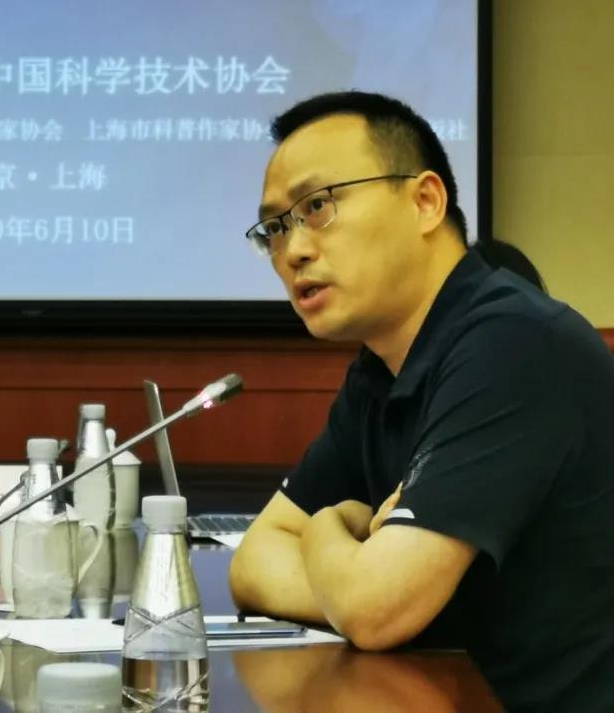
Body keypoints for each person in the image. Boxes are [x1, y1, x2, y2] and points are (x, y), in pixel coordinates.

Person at [228, 91, 614, 711]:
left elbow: (375, 610)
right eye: (275, 227)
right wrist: (354, 573)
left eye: (318, 206)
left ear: (425, 201)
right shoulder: (381, 366)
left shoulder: (515, 343)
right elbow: (253, 562)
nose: (293, 250)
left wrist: (328, 526)